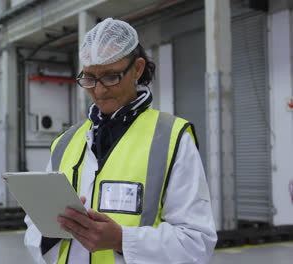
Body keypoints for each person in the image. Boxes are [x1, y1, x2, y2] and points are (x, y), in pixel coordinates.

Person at [24, 18, 217, 264]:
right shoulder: (65, 142)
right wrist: (53, 231)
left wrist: (122, 240)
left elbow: (197, 242)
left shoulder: (172, 138)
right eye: (90, 78)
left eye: (110, 76)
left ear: (137, 69)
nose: (99, 90)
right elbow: (34, 225)